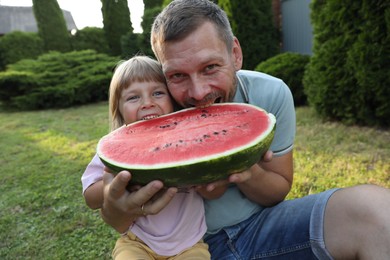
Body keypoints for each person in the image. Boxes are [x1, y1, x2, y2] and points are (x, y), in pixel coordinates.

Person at [98, 0, 390, 259]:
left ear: (235, 54)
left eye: (210, 67)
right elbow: (117, 217)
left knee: (376, 210)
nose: (198, 93)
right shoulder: (152, 114)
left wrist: (249, 172)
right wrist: (115, 207)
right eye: (177, 75)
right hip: (183, 250)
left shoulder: (271, 95)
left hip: (261, 230)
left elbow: (278, 190)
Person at [82, 55, 226, 259]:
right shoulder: (115, 146)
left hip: (190, 246)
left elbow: (213, 193)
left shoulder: (189, 139)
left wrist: (206, 182)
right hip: (136, 243)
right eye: (133, 97)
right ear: (119, 110)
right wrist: (119, 183)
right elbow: (90, 197)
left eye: (158, 93)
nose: (147, 103)